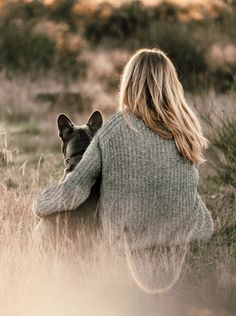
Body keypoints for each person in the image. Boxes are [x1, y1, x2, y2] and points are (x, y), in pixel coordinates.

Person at [33, 48, 214, 250]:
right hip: (191, 235)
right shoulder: (188, 127)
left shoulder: (115, 131)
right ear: (172, 84)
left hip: (135, 243)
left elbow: (71, 192)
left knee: (47, 224)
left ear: (128, 84)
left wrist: (38, 204)